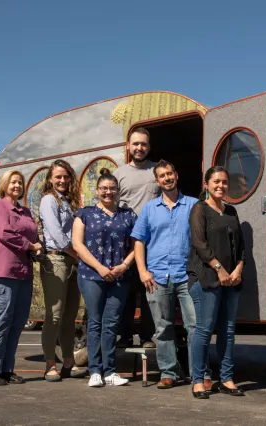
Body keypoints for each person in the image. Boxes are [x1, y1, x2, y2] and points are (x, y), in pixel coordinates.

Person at [132, 159, 212, 390]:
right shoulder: (149, 209)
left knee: (195, 326)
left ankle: (202, 373)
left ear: (176, 176)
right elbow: (139, 241)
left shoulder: (194, 205)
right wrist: (142, 272)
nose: (167, 178)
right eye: (162, 176)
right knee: (163, 327)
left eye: (170, 174)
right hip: (157, 276)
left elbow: (203, 239)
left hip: (188, 275)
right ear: (157, 181)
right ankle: (169, 372)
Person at [72, 168, 137, 387]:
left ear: (118, 191)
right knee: (95, 322)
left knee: (111, 324)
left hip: (120, 276)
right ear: (97, 190)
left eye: (112, 189)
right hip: (91, 275)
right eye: (104, 189)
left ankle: (110, 371)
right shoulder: (84, 213)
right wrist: (100, 268)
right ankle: (94, 371)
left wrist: (124, 265)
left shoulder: (128, 216)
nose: (108, 192)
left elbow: (137, 245)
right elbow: (77, 245)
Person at [0, 170, 42, 386]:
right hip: (2, 271)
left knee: (17, 322)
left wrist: (37, 246)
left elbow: (32, 233)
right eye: (13, 182)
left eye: (20, 182)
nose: (17, 185)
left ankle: (5, 369)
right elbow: (5, 232)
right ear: (4, 185)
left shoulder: (25, 211)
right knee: (1, 320)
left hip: (23, 272)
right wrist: (30, 245)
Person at [187, 166, 246, 399]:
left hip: (232, 280)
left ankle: (227, 378)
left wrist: (239, 269)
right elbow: (199, 243)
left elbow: (241, 247)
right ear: (206, 185)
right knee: (204, 329)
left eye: (224, 182)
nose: (221, 186)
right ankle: (198, 380)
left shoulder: (231, 211)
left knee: (228, 331)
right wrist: (220, 269)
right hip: (206, 277)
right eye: (216, 182)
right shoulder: (199, 209)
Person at [39, 159, 87, 382]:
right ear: (50, 178)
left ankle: (68, 361)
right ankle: (50, 364)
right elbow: (57, 236)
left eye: (66, 176)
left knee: (69, 317)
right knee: (55, 315)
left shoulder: (67, 202)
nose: (62, 180)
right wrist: (79, 255)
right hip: (57, 261)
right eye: (58, 176)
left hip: (72, 262)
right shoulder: (49, 200)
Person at [112, 127, 158, 348]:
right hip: (126, 241)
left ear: (149, 147)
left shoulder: (157, 171)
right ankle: (126, 334)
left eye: (144, 144)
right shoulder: (119, 173)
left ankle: (148, 336)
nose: (139, 148)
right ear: (128, 146)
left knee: (149, 287)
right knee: (126, 289)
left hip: (153, 240)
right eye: (136, 144)